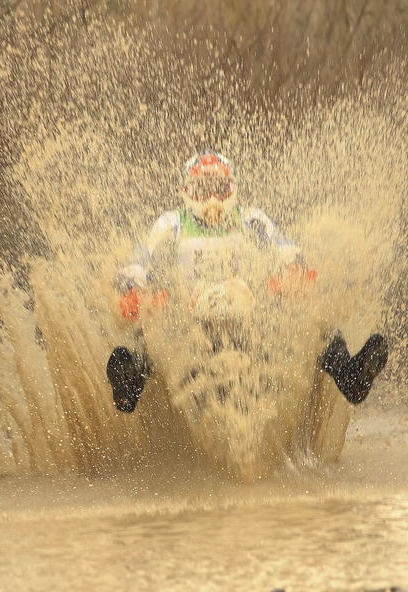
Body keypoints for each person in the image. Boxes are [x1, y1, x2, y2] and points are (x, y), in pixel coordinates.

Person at [106, 151, 388, 413]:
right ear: (187, 191)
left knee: (312, 323)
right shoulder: (171, 224)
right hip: (192, 321)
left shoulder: (251, 219)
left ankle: (350, 375)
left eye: (220, 188)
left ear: (232, 189)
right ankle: (129, 381)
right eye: (203, 189)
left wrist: (294, 272)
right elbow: (138, 262)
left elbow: (285, 248)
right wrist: (135, 291)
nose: (212, 198)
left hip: (249, 318)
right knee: (152, 329)